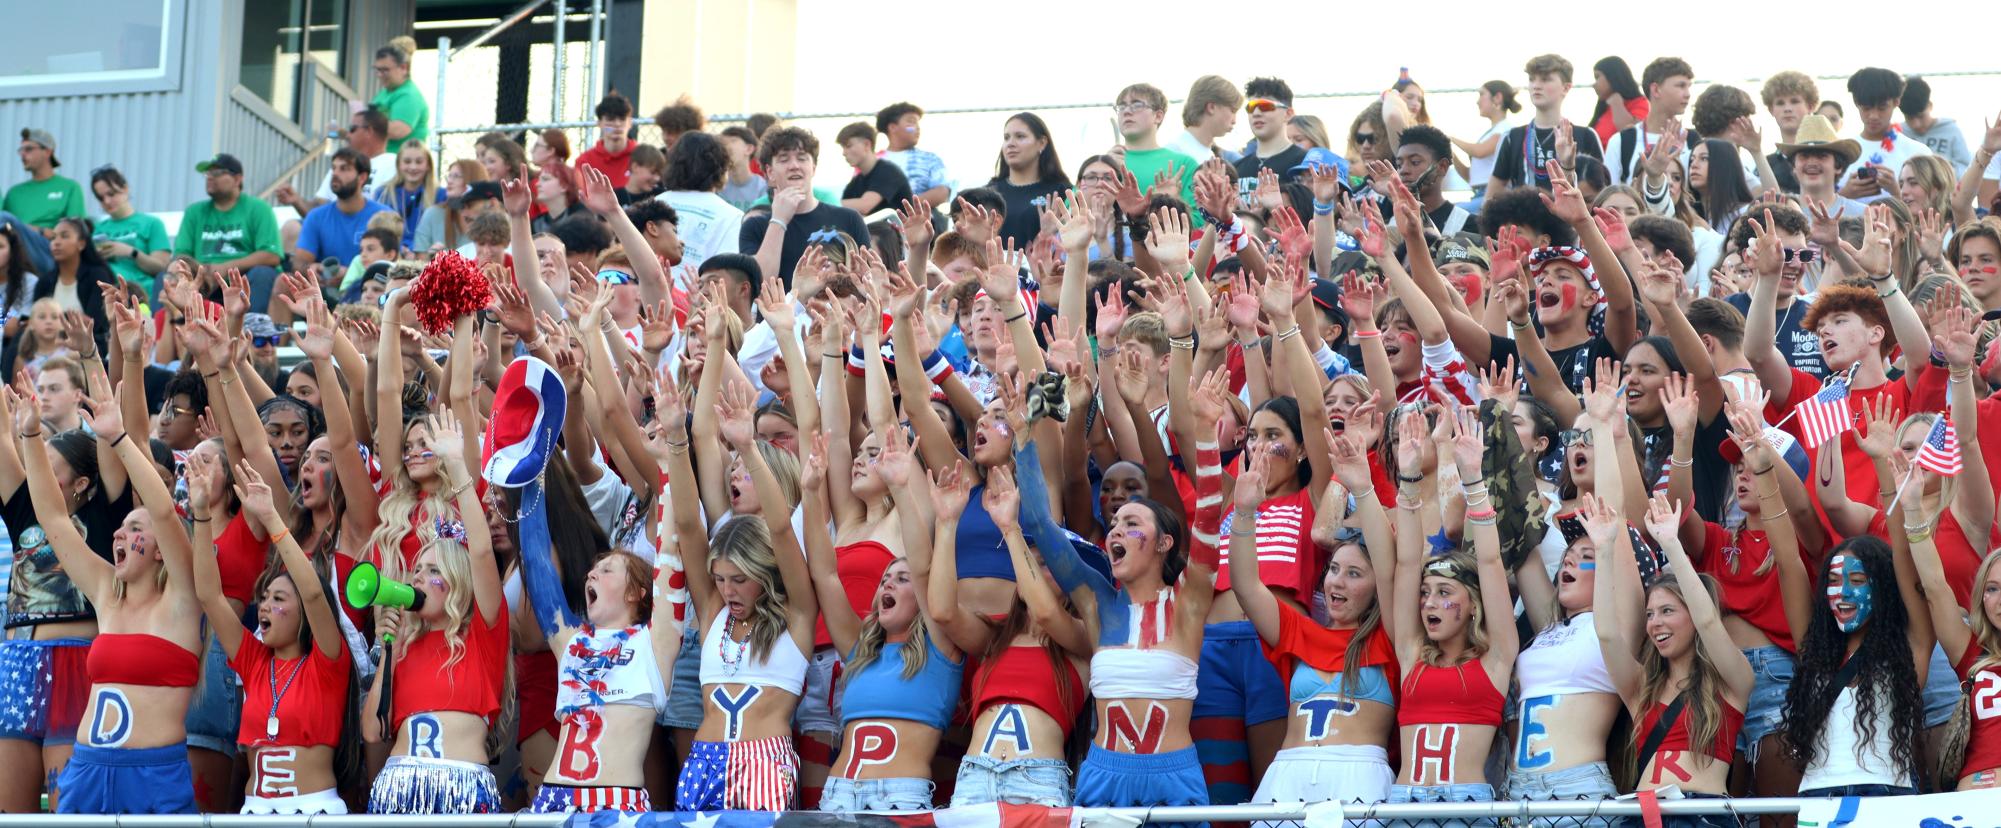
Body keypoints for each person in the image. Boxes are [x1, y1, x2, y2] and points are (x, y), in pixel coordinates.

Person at [661, 374, 817, 810]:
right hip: (703, 761)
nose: (727, 590)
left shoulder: (796, 614)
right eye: (721, 579)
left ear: (764, 573)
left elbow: (783, 528)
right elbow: (689, 526)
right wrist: (677, 437)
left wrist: (748, 448)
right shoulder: (715, 613)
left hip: (764, 763)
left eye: (739, 580)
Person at [188, 457, 353, 814]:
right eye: (262, 599)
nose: (263, 607)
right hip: (255, 811)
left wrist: (271, 520)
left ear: (304, 614)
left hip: (314, 813)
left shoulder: (328, 662)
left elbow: (312, 592)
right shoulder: (253, 661)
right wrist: (201, 515)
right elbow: (209, 595)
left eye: (278, 599)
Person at [1385, 405, 1519, 811]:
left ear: (1473, 605)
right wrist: (1408, 478)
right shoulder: (1410, 654)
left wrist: (1474, 478)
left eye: (1445, 592)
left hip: (1465, 809)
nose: (1428, 602)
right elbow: (1407, 562)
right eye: (1426, 593)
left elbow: (1491, 563)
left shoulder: (1497, 659)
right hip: (1402, 805)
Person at [738, 126, 869, 288]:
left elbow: (867, 280)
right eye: (784, 159)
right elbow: (759, 285)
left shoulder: (849, 218)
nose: (794, 166)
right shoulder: (754, 225)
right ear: (770, 172)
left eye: (802, 158)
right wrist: (778, 221)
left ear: (813, 168)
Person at [174, 154, 283, 313]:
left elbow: (271, 255)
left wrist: (227, 267)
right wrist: (200, 273)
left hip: (245, 281)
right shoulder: (194, 212)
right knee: (168, 275)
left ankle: (254, 334)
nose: (210, 178)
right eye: (208, 174)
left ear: (237, 179)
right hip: (204, 281)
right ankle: (160, 334)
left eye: (217, 173)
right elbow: (181, 255)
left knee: (263, 273)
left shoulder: (258, 208)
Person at [1490, 55, 1605, 194]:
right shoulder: (1512, 137)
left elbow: (1602, 191)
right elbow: (1492, 194)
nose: (1536, 86)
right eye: (1532, 79)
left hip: (1570, 213)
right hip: (1525, 214)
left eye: (1545, 79)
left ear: (1566, 87)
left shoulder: (1586, 136)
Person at [1838, 68, 1931, 205]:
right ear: (1856, 103)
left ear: (1896, 102)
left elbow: (1930, 206)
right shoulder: (1840, 152)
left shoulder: (1918, 153)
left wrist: (1897, 193)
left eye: (1882, 108)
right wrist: (1845, 195)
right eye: (1866, 108)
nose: (1874, 116)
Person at [2, 129, 84, 276]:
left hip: (50, 252)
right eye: (21, 150)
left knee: (5, 218)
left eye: (28, 149)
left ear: (47, 151)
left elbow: (75, 232)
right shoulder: (14, 192)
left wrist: (38, 231)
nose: (22, 155)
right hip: (16, 252)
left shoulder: (69, 187)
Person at [293, 148, 390, 272]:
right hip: (323, 287)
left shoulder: (383, 216)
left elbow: (389, 265)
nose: (335, 173)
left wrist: (349, 275)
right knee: (282, 280)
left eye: (344, 169)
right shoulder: (316, 216)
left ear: (362, 177)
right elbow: (300, 262)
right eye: (334, 168)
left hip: (368, 287)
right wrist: (312, 269)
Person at [1604, 58, 1695, 186]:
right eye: (1681, 86)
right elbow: (1609, 195)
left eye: (1689, 86)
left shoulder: (1693, 141)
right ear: (1656, 90)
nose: (1688, 94)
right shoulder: (1622, 141)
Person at [987, 112, 1075, 245]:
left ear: (1042, 143)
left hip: (1044, 265)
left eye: (1020, 136)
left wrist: (1047, 234)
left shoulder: (1063, 192)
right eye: (1006, 138)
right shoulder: (988, 193)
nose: (1010, 144)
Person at [86, 167, 171, 299]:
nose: (107, 201)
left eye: (111, 194)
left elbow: (162, 268)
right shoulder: (97, 229)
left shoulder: (152, 223)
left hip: (140, 294)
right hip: (105, 295)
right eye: (101, 198)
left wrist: (131, 252)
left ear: (125, 189)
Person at [34, 218, 111, 356]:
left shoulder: (97, 275)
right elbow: (32, 321)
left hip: (88, 346)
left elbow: (93, 324)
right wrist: (70, 318)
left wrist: (49, 319)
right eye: (53, 238)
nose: (56, 242)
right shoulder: (45, 281)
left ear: (81, 244)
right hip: (47, 345)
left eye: (64, 236)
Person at [1454, 81, 1520, 197]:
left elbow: (1480, 151)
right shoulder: (1492, 132)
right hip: (1479, 194)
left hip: (1493, 196)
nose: (1477, 101)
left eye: (1482, 94)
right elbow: (1470, 177)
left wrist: (1450, 138)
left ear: (1497, 98)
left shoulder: (1505, 129)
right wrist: (1451, 155)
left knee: (1451, 214)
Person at [1760, 71, 1819, 194]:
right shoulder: (1765, 164)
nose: (1787, 109)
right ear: (1771, 110)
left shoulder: (1827, 157)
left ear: (1811, 106)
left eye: (1794, 101)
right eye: (1780, 103)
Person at [837, 123, 913, 217]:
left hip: (902, 230)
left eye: (848, 146)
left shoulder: (888, 171)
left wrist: (827, 202)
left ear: (867, 145)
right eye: (842, 148)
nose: (844, 153)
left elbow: (865, 205)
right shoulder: (856, 182)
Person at [374, 142, 438, 252]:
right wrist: (399, 248)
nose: (413, 167)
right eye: (407, 162)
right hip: (391, 252)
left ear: (428, 165)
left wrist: (418, 250)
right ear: (399, 164)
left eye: (419, 162)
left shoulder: (440, 194)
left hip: (426, 256)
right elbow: (377, 230)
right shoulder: (383, 193)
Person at [412, 159, 486, 253]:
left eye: (456, 176)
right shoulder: (433, 213)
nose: (450, 181)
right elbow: (420, 259)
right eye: (449, 176)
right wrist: (433, 257)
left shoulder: (490, 218)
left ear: (473, 180)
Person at [370, 37, 429, 153]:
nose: (380, 75)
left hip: (402, 163)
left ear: (404, 68)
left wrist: (365, 124)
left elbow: (397, 131)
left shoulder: (409, 95)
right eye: (377, 70)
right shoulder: (385, 93)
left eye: (385, 70)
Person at [1166, 75, 1241, 162]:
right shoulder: (1175, 151)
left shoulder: (1209, 154)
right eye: (1233, 111)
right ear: (1211, 107)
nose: (1234, 121)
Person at [576, 92, 637, 189]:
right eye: (610, 119)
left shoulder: (642, 156)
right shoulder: (585, 161)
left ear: (630, 123)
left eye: (622, 119)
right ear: (599, 123)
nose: (617, 124)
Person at [1588, 56, 1647, 149]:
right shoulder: (1604, 108)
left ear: (1613, 76)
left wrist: (1617, 103)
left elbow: (1631, 136)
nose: (1594, 84)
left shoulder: (1640, 103)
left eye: (1597, 77)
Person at [718, 126, 769, 211]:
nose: (726, 146)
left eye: (733, 140)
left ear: (749, 149)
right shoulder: (718, 187)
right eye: (723, 142)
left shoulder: (762, 187)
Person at [531, 163, 588, 234]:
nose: (537, 184)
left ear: (564, 186)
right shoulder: (536, 223)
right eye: (539, 180)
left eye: (545, 179)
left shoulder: (585, 217)